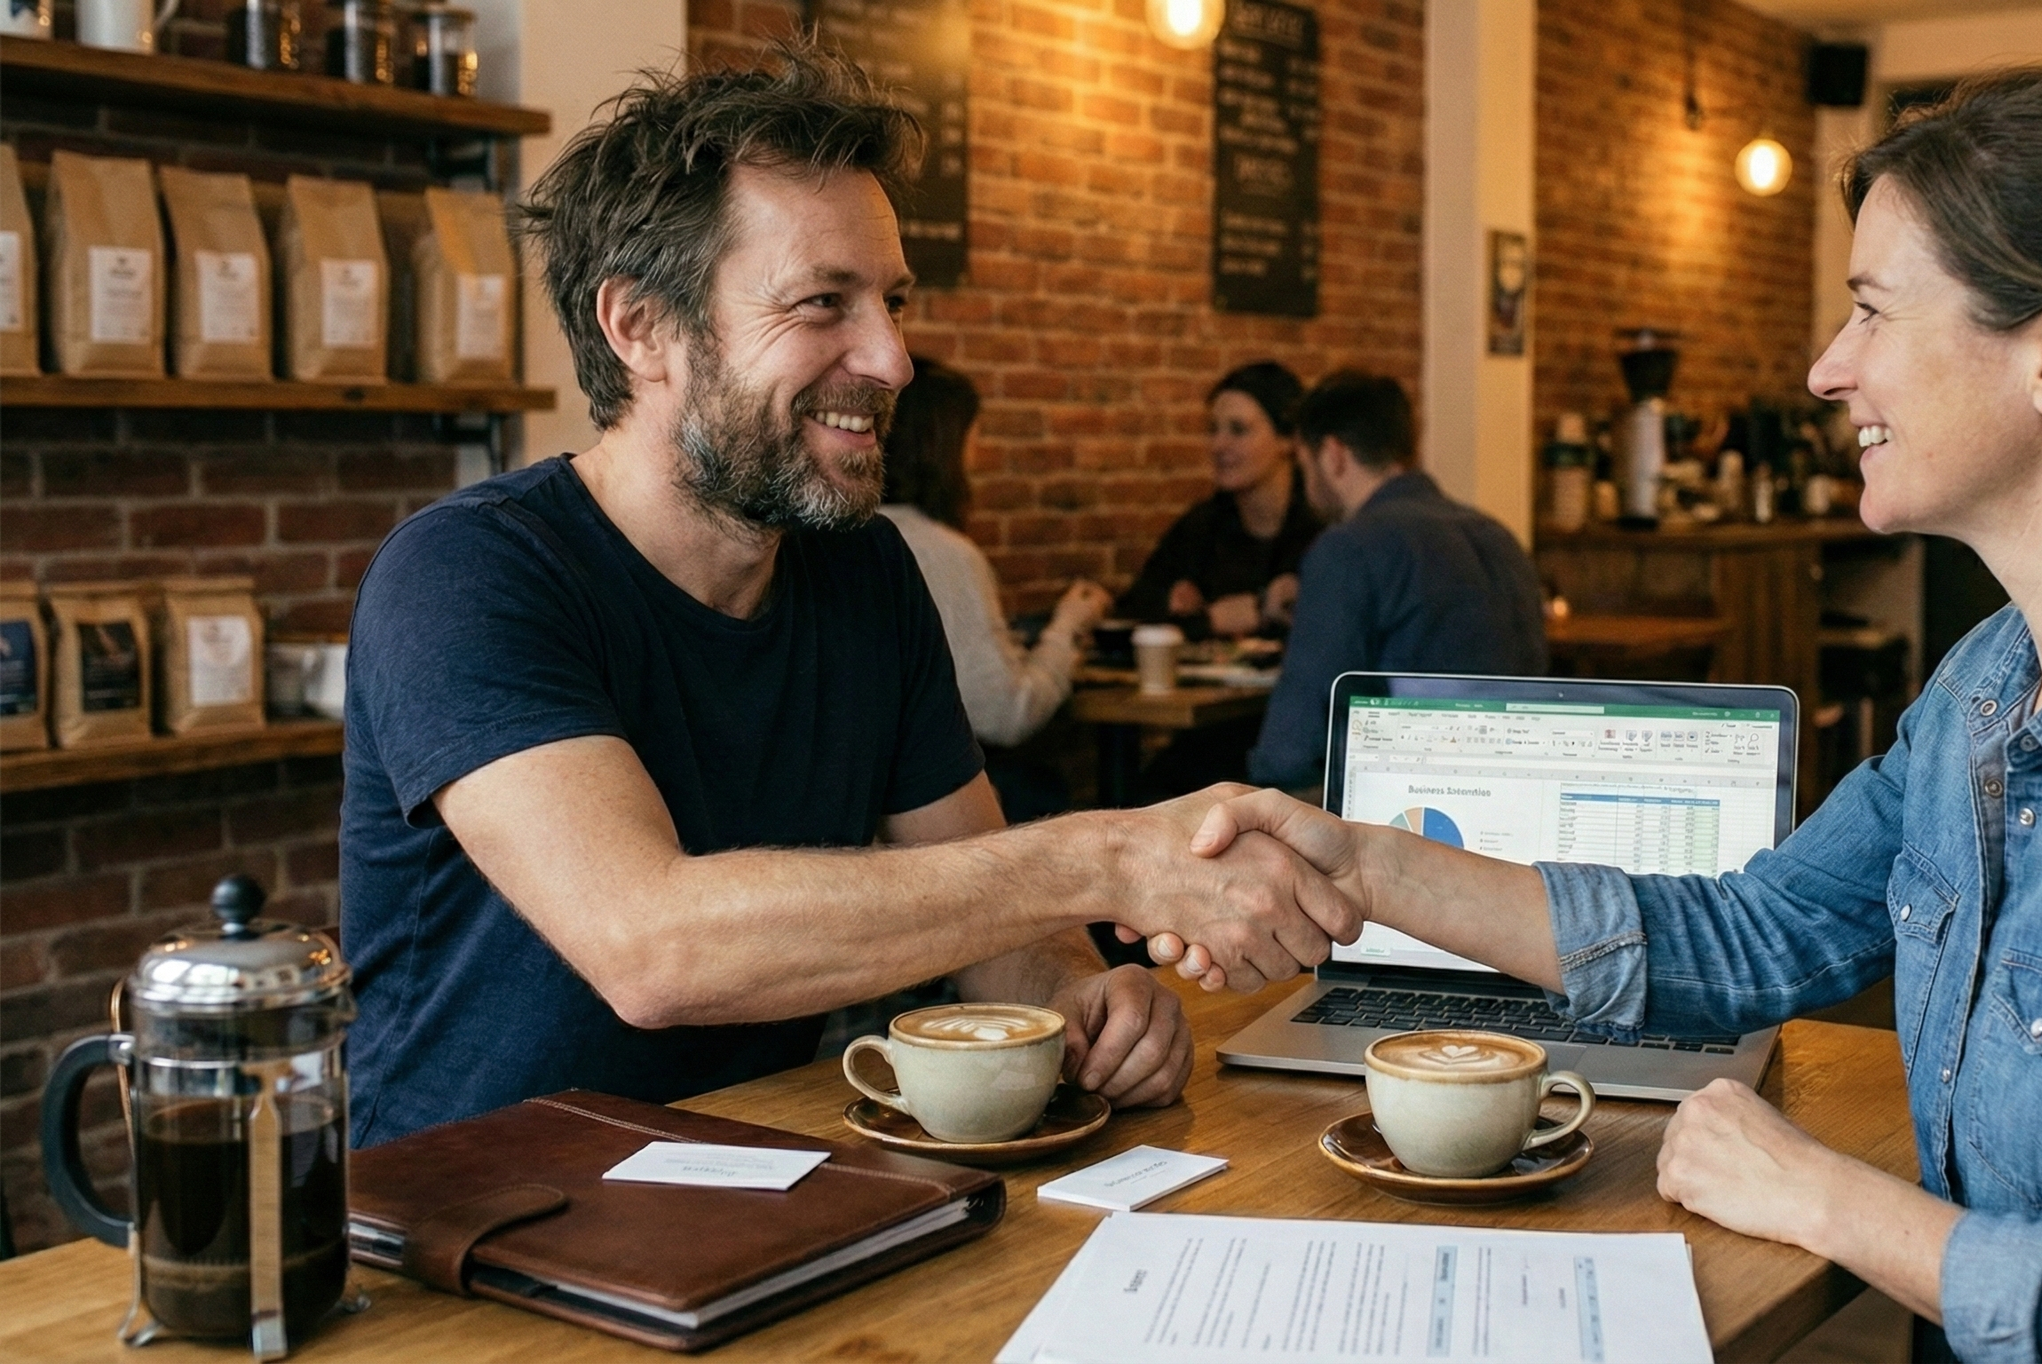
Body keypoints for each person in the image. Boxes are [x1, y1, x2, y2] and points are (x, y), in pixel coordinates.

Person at [1167, 69, 2042, 1362]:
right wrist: (1372, 866)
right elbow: (1754, 933)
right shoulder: (1988, 682)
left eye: (1871, 311)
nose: (1824, 369)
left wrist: (1830, 1201)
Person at [337, 44, 1355, 1148]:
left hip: (761, 1185)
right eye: (824, 302)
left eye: (893, 301)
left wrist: (1074, 994)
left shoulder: (863, 571)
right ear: (640, 327)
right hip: (464, 1225)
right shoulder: (468, 574)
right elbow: (652, 945)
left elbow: (987, 924)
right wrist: (1108, 859)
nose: (892, 357)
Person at [1244, 371, 1548, 792]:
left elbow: (1292, 748)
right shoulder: (1497, 535)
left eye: (1302, 463)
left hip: (1412, 806)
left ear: (1333, 455)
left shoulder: (1347, 549)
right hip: (1521, 792)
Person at [878, 357, 1108, 822]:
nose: (977, 456)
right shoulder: (943, 553)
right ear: (943, 447)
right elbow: (1007, 713)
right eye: (973, 438)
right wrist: (1067, 628)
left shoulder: (838, 536)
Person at [1117, 361, 1326, 639]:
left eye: (1238, 430)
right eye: (1214, 429)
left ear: (1286, 440)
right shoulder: (1201, 527)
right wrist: (1172, 603)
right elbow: (1131, 613)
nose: (1219, 445)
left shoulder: (1322, 530)